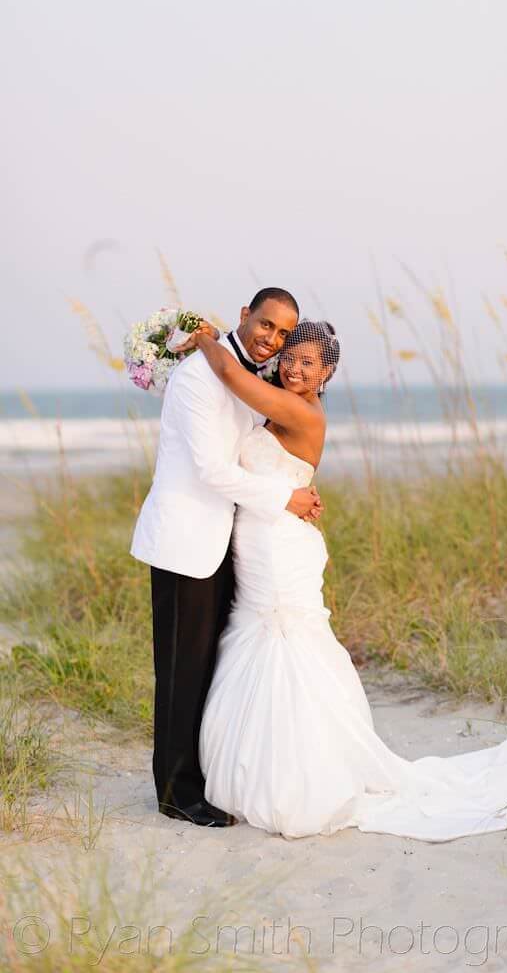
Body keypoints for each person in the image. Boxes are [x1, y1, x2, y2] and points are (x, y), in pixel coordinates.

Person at [188, 317, 507, 842]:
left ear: (325, 374)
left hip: (281, 549)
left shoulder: (303, 412)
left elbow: (235, 379)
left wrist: (204, 339)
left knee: (288, 641)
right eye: (291, 356)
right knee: (258, 638)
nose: (296, 367)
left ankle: (300, 774)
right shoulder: (275, 406)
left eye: (309, 362)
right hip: (257, 542)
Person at [130, 288, 324, 827]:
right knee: (179, 670)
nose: (272, 340)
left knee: (207, 669)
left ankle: (198, 776)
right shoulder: (198, 378)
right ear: (245, 316)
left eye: (284, 335)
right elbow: (214, 470)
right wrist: (285, 497)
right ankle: (176, 794)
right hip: (184, 540)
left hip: (224, 543)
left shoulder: (250, 378)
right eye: (266, 326)